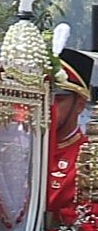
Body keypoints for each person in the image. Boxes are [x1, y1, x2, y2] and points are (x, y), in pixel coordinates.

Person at [47, 47, 94, 215]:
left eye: (58, 100)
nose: (48, 107)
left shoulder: (89, 158)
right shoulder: (15, 150)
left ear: (80, 105)